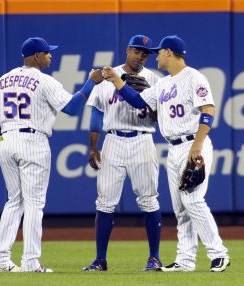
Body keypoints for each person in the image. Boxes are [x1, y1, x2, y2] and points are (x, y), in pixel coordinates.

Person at [102, 35, 230, 272]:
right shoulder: (163, 84)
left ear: (169, 52)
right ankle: (185, 260)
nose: (156, 56)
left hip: (193, 144)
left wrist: (197, 146)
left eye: (159, 52)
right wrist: (117, 80)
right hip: (173, 148)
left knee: (193, 200)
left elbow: (209, 110)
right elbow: (138, 102)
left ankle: (218, 253)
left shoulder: (194, 77)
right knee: (181, 209)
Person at [0, 36, 103, 273]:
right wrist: (91, 83)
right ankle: (30, 261)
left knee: (14, 200)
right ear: (36, 56)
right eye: (47, 53)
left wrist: (0, 135)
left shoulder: (4, 79)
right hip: (33, 141)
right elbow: (71, 108)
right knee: (34, 204)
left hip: (6, 141)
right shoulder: (43, 80)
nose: (51, 56)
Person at [83, 35, 162, 272]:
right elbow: (97, 114)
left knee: (149, 199)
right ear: (127, 50)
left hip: (143, 140)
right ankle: (100, 260)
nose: (140, 56)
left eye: (145, 53)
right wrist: (93, 146)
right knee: (105, 201)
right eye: (137, 51)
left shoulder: (154, 80)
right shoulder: (108, 76)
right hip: (114, 141)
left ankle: (154, 258)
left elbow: (160, 114)